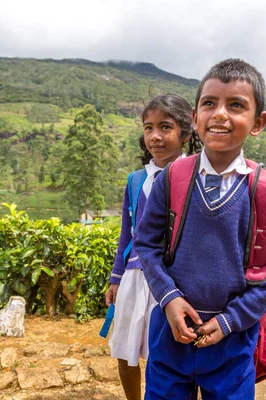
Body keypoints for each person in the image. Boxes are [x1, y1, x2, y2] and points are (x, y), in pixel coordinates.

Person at [134, 59, 266, 399]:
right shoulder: (172, 179)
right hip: (171, 334)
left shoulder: (265, 192)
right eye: (209, 103)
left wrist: (230, 320)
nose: (220, 114)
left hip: (232, 342)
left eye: (236, 105)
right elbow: (145, 244)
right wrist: (169, 298)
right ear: (195, 117)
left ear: (258, 122)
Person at [105, 94, 202, 400]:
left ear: (185, 134)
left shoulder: (196, 176)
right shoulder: (136, 180)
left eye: (165, 127)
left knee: (169, 353)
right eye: (149, 128)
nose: (156, 136)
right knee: (126, 348)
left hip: (172, 280)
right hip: (135, 275)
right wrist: (116, 277)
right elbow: (127, 233)